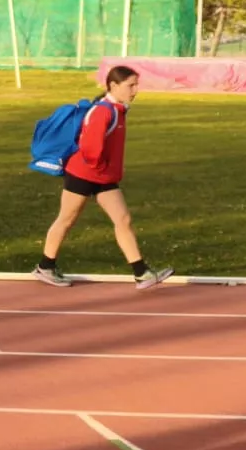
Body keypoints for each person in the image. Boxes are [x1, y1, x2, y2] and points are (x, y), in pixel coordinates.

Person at [34, 65, 173, 291]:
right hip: (83, 174)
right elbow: (90, 148)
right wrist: (99, 166)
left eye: (136, 85)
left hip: (102, 176)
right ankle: (45, 267)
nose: (135, 90)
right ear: (113, 86)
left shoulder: (117, 109)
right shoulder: (104, 111)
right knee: (66, 219)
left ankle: (141, 273)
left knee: (123, 219)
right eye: (131, 85)